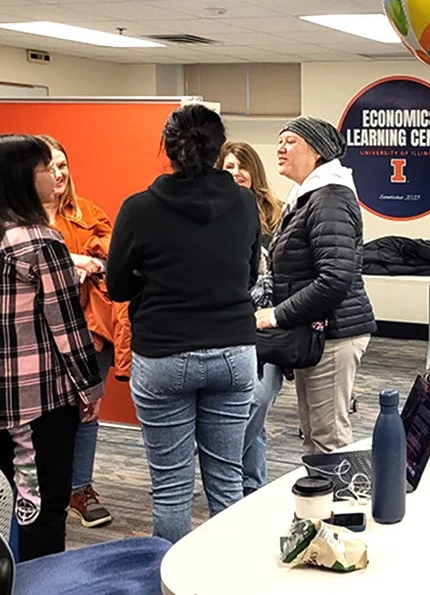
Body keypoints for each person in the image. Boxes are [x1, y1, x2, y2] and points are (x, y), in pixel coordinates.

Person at [106, 105, 259, 542]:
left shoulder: (139, 209)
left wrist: (149, 277)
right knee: (228, 483)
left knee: (172, 491)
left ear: (168, 150)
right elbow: (248, 277)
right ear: (218, 149)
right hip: (234, 352)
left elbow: (117, 286)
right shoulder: (245, 202)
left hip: (164, 355)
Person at [0, 134, 104, 559]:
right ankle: (40, 582)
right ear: (26, 177)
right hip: (35, 402)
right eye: (48, 168)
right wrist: (91, 389)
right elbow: (68, 330)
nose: (57, 176)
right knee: (42, 505)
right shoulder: (39, 242)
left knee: (10, 498)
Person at [254, 116, 376, 455]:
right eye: (280, 140)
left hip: (334, 333)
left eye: (291, 141)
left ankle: (341, 506)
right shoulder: (305, 197)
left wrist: (275, 316)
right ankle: (319, 504)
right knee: (313, 434)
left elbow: (335, 279)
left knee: (328, 439)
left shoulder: (330, 198)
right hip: (317, 330)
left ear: (318, 152)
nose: (280, 148)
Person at [40, 135, 129, 529]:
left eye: (63, 165)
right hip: (38, 338)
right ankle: (42, 491)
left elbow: (119, 257)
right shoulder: (16, 219)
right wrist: (69, 261)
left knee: (87, 410)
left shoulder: (87, 212)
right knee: (45, 418)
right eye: (49, 166)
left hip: (88, 332)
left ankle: (81, 488)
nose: (59, 173)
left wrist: (96, 259)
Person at [217, 141, 285, 496]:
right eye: (228, 166)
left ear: (254, 171)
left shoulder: (278, 213)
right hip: (228, 325)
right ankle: (251, 486)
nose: (235, 173)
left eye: (241, 166)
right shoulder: (213, 212)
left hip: (270, 325)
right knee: (250, 410)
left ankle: (221, 465)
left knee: (258, 399)